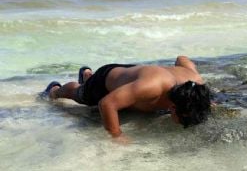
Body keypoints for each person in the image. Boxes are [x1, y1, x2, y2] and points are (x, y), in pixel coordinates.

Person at [40, 56, 212, 139]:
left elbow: (182, 59)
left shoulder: (195, 83)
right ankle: (55, 90)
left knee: (131, 95)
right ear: (173, 107)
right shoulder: (151, 88)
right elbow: (106, 104)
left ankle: (87, 74)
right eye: (185, 120)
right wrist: (117, 136)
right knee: (81, 95)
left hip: (134, 76)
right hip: (105, 81)